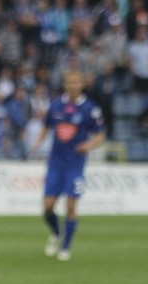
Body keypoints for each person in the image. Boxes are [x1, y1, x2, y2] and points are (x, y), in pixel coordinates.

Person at [31, 70, 105, 261]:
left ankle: (65, 247)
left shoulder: (90, 108)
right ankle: (57, 233)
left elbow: (100, 135)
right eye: (69, 82)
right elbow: (47, 126)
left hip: (75, 165)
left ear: (82, 84)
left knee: (71, 206)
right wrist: (38, 141)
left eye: (76, 82)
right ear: (65, 84)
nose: (72, 86)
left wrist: (88, 145)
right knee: (48, 207)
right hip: (55, 163)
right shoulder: (56, 105)